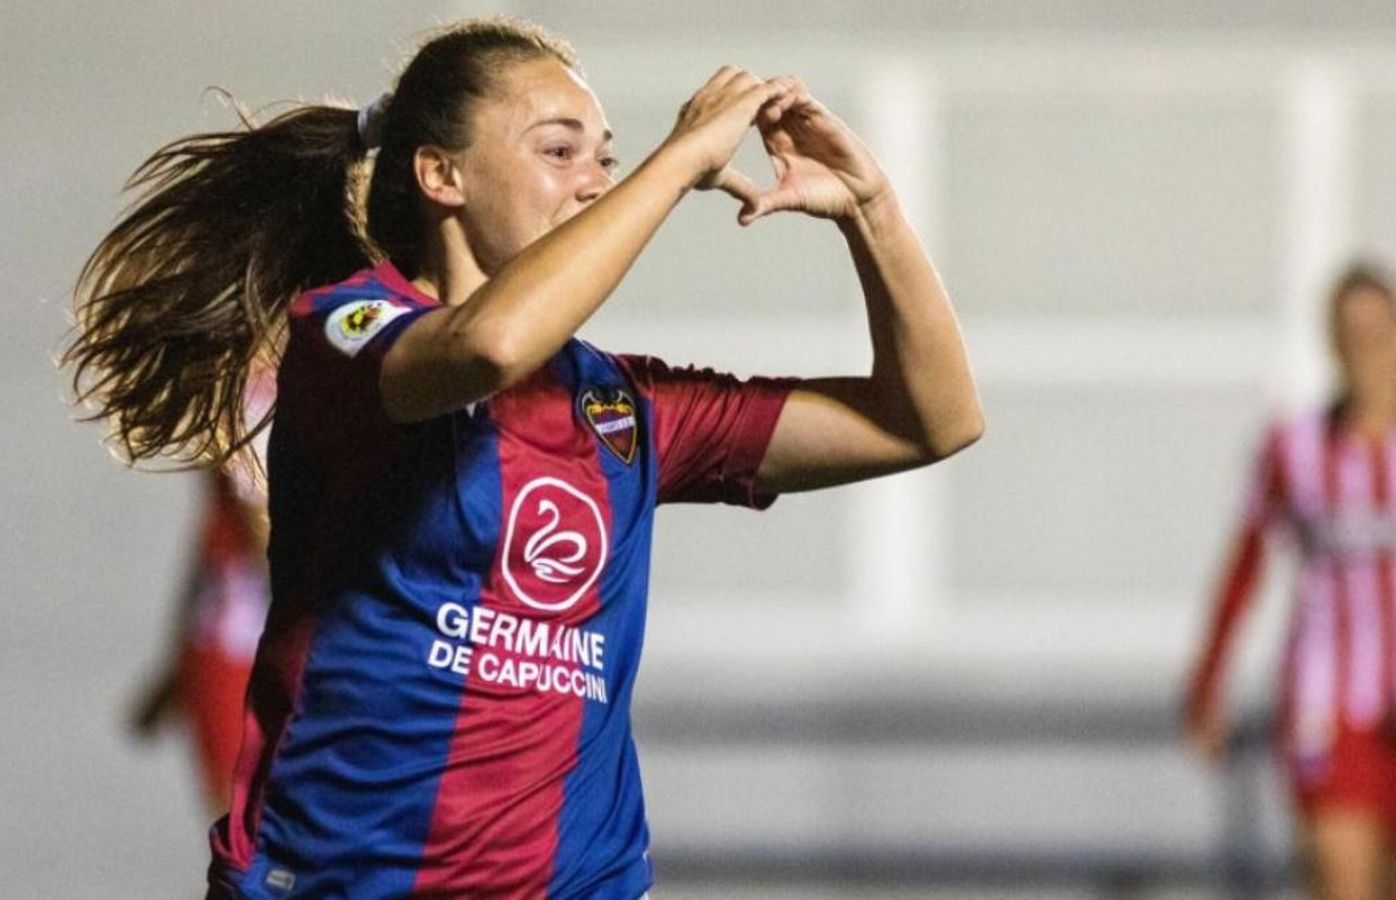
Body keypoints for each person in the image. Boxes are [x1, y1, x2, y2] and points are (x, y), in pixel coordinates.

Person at [65, 18, 982, 900]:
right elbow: (487, 347)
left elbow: (930, 420)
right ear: (440, 174)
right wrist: (675, 162)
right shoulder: (348, 329)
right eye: (559, 151)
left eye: (608, 158)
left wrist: (873, 208)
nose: (594, 181)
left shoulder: (627, 408)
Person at [1182, 261, 1396, 900]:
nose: (1365, 348)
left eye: (1378, 330)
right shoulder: (1294, 445)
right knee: (1342, 882)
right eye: (1350, 333)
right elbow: (1243, 570)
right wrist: (1207, 684)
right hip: (1329, 701)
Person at [127, 369, 274, 815]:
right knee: (250, 839)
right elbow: (241, 536)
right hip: (242, 641)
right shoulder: (246, 390)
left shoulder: (261, 384)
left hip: (250, 640)